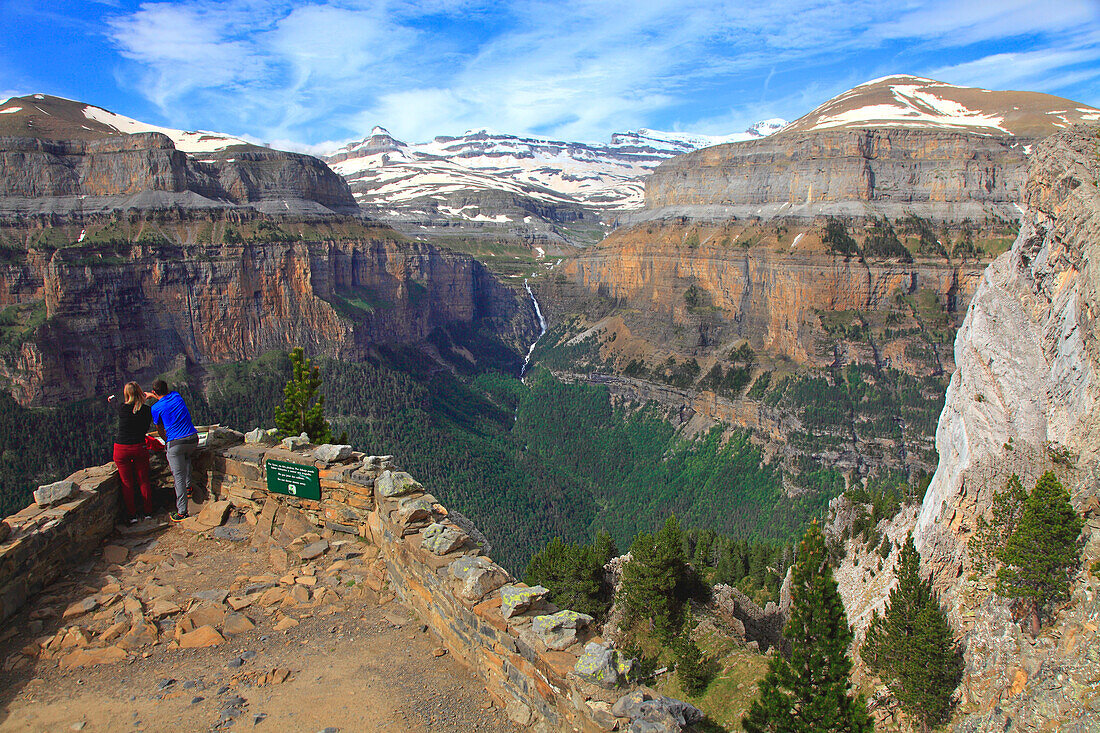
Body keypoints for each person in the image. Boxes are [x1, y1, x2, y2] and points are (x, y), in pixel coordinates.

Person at [147, 379, 198, 522]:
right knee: (186, 457)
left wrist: (166, 441)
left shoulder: (155, 408)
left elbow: (160, 428)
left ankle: (182, 512)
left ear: (154, 392)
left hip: (175, 443)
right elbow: (166, 396)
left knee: (178, 477)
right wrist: (153, 395)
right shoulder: (176, 396)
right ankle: (189, 488)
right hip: (193, 439)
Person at [109, 381, 153, 523]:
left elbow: (115, 403)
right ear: (140, 392)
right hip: (139, 447)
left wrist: (112, 398)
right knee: (143, 480)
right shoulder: (146, 410)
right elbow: (145, 427)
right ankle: (147, 512)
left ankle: (132, 515)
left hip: (121, 449)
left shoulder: (122, 408)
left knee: (126, 482)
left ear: (126, 394)